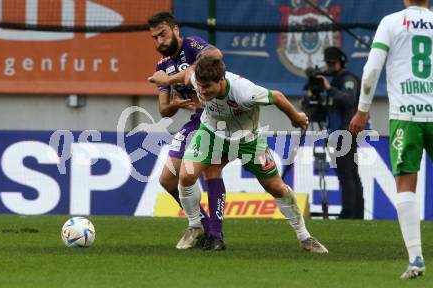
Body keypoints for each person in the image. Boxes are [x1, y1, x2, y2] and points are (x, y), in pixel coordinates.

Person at [175, 55, 329, 253]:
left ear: (221, 80)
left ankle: (304, 237)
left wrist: (296, 117)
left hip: (248, 140)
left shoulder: (245, 91)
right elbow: (187, 74)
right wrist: (167, 80)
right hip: (211, 133)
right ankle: (196, 226)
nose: (201, 91)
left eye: (207, 87)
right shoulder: (196, 78)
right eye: (200, 86)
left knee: (275, 187)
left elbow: (278, 97)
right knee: (186, 175)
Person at [349, 0, 433, 279]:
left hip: (406, 116)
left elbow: (371, 71)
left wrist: (362, 111)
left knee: (406, 182)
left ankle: (416, 258)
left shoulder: (391, 22)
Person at [147, 12, 227, 250]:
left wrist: (172, 78)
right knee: (167, 179)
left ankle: (215, 236)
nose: (159, 41)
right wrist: (175, 104)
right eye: (154, 38)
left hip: (218, 116)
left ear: (175, 30)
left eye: (163, 34)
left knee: (210, 170)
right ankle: (200, 224)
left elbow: (215, 55)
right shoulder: (162, 66)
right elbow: (164, 110)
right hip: (195, 119)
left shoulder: (191, 45)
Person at [316, 46, 364, 219]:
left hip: (347, 131)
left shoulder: (348, 79)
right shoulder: (336, 80)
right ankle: (357, 215)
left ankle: (347, 214)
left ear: (341, 62)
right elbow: (331, 108)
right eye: (327, 63)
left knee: (345, 173)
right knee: (351, 173)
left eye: (332, 63)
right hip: (340, 131)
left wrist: (328, 88)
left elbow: (348, 99)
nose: (329, 66)